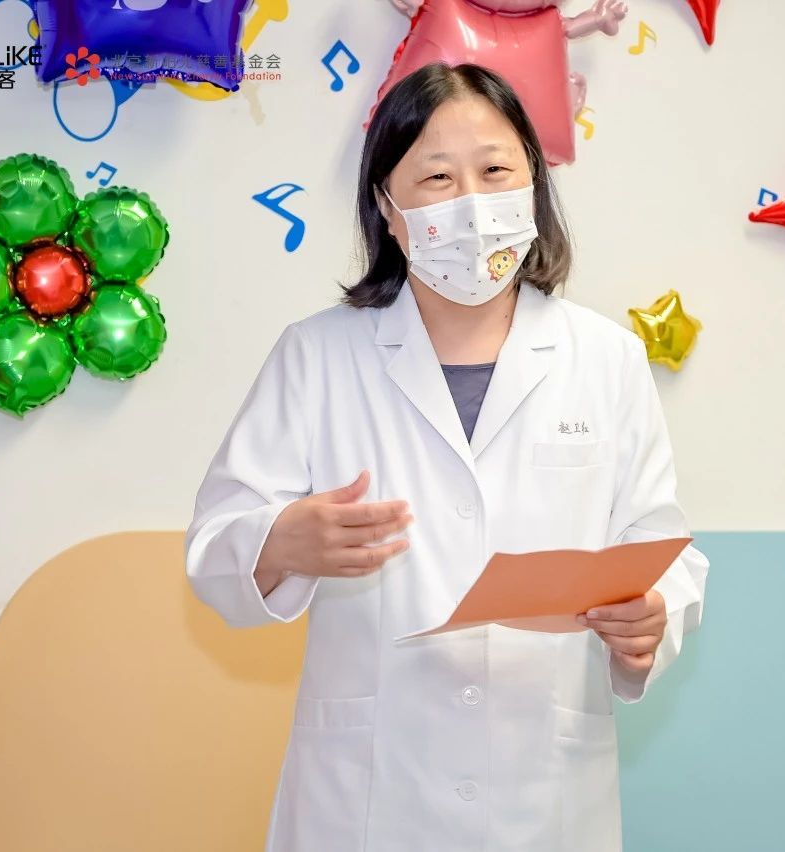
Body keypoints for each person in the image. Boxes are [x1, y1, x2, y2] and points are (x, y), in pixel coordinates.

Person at [184, 61, 708, 852]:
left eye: (495, 172)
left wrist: (651, 618)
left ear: (534, 184)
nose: (472, 205)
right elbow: (215, 547)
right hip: (368, 799)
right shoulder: (316, 356)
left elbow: (660, 545)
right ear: (387, 209)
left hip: (542, 796)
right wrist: (282, 541)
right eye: (436, 177)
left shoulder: (606, 358)